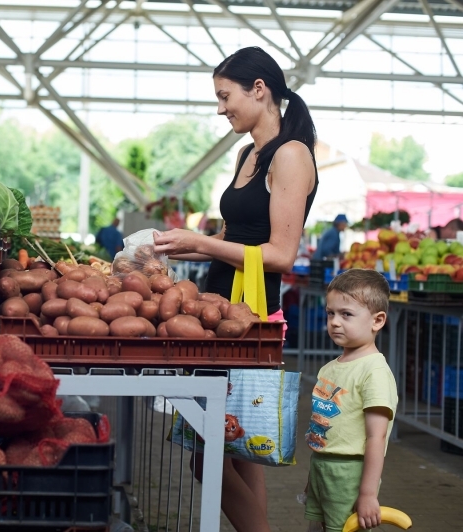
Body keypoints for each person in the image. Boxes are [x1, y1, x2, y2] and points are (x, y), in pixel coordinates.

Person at [153, 46, 319, 532]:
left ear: (260, 90)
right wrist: (182, 248)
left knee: (207, 458)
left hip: (251, 317)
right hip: (220, 307)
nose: (220, 107)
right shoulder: (248, 153)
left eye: (226, 96)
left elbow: (281, 254)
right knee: (241, 452)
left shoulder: (291, 155)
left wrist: (201, 240)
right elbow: (238, 238)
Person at [304, 269, 398, 532]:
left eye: (346, 314)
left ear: (377, 321)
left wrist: (368, 494)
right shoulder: (330, 367)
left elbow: (376, 438)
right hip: (322, 468)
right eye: (330, 313)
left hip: (349, 475)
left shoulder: (374, 372)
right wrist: (315, 477)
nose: (334, 322)